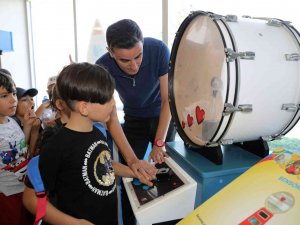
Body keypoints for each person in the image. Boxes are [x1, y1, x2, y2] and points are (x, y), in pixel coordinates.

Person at [23, 62, 152, 225]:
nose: (113, 105)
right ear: (84, 108)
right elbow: (30, 200)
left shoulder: (97, 132)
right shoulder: (57, 145)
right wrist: (73, 223)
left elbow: (101, 163)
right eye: (107, 99)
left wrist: (134, 172)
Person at [96, 19, 176, 225]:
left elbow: (168, 99)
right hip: (133, 120)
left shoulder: (158, 49)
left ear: (143, 44)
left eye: (138, 56)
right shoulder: (102, 66)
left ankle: (167, 217)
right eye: (125, 60)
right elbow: (111, 117)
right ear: (111, 52)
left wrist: (159, 142)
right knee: (130, 174)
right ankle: (131, 219)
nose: (134, 65)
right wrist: (131, 160)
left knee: (168, 170)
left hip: (162, 117)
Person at [0, 71, 34, 225]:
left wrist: (26, 127)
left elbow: (21, 149)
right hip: (5, 195)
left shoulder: (12, 122)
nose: (13, 100)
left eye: (13, 93)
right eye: (4, 96)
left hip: (23, 189)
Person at [13, 87, 41, 158]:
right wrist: (34, 131)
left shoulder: (36, 122)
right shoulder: (13, 126)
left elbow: (33, 155)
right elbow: (23, 156)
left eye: (32, 99)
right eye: (24, 100)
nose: (31, 102)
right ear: (14, 104)